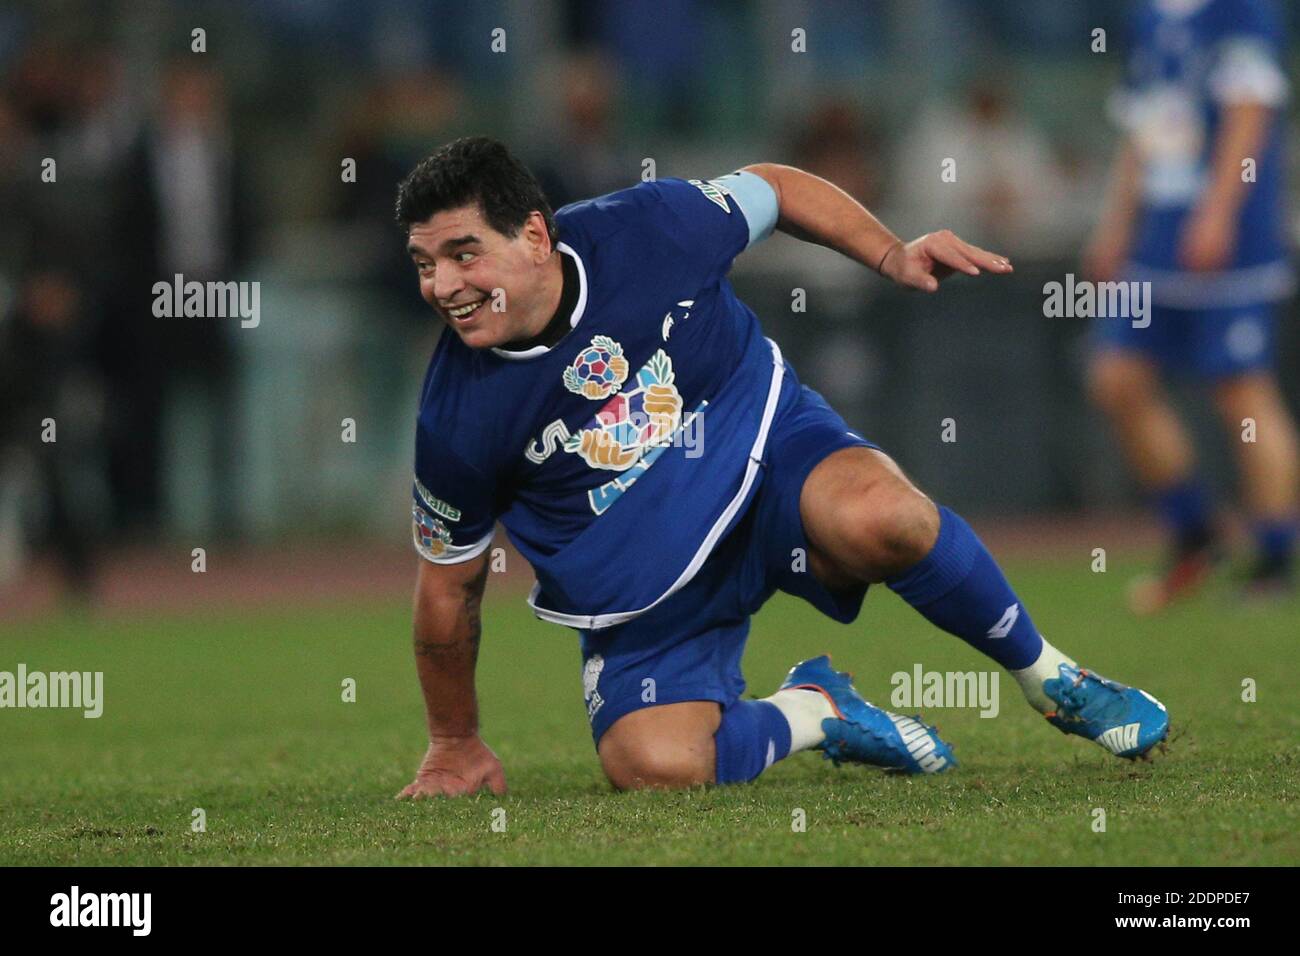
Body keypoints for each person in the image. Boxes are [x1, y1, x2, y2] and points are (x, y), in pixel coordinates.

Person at [394, 136, 1168, 796]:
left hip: (768, 464)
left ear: (533, 235)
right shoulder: (455, 417)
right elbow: (447, 592)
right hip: (650, 591)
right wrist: (455, 741)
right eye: (427, 264)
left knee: (889, 518)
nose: (445, 287)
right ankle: (814, 710)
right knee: (653, 767)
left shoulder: (649, 229)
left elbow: (774, 187)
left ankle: (1051, 678)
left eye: (465, 254)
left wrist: (890, 252)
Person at [1085, 0, 1298, 611]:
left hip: (1227, 238)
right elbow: (1141, 129)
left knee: (1240, 390)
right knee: (1116, 377)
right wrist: (1115, 226)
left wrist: (1220, 210)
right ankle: (1196, 532)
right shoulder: (1148, 16)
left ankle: (1275, 556)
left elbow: (1248, 114)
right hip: (1158, 236)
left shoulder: (1242, 9)